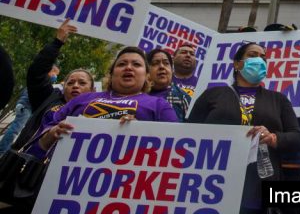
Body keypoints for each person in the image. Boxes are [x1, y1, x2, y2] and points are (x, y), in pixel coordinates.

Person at [187, 40, 300, 214]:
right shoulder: (213, 94)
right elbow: (189, 134)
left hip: (258, 184)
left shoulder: (278, 99)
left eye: (263, 58)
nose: (259, 60)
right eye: (252, 55)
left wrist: (273, 138)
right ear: (237, 64)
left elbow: (297, 138)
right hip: (213, 182)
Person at [35, 46, 178, 154]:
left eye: (136, 64)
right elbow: (38, 145)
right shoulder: (82, 99)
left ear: (147, 75)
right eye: (121, 64)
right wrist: (52, 135)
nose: (128, 67)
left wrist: (142, 134)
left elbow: (175, 149)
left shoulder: (159, 105)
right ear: (111, 73)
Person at [9, 20, 96, 153]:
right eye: (70, 83)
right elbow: (36, 72)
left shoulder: (99, 112)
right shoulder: (49, 98)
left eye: (82, 83)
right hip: (23, 159)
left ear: (93, 90)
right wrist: (57, 42)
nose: (75, 86)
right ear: (64, 87)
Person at [147, 48, 191, 121]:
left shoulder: (183, 97)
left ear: (172, 69)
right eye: (155, 63)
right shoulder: (137, 96)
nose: (162, 67)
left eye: (166, 63)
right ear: (146, 70)